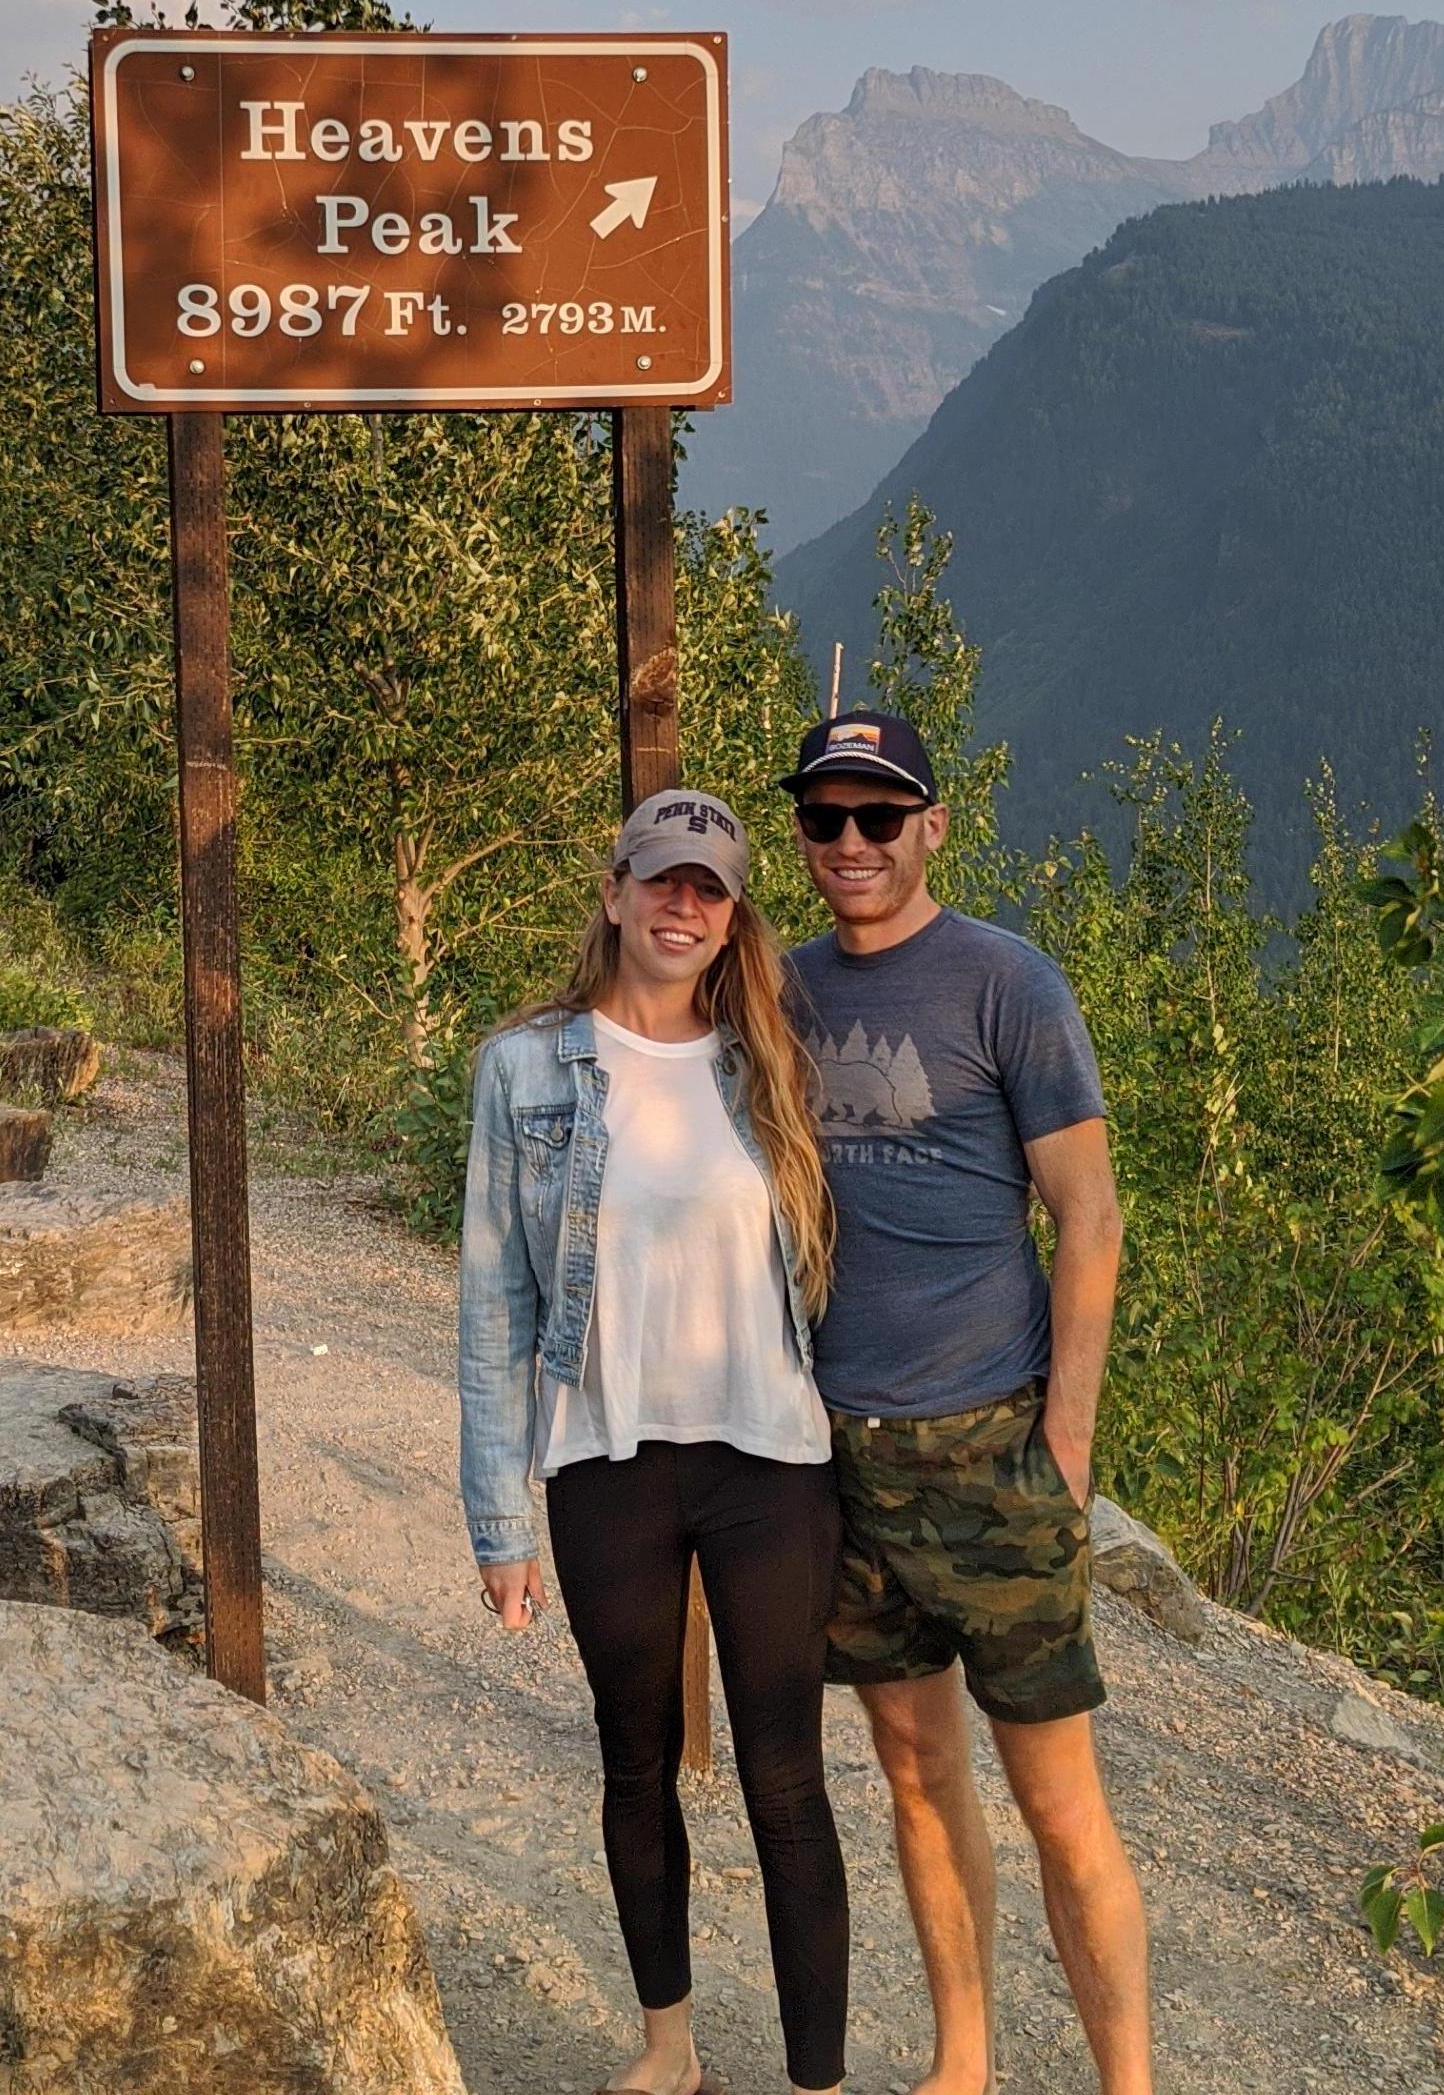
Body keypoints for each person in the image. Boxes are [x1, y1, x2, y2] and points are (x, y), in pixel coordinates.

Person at [779, 711, 1148, 2095]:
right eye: (828, 819)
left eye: (883, 815)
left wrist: (1066, 1439)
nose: (855, 843)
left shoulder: (1008, 982)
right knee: (918, 1781)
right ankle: (964, 2064)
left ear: (935, 824)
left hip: (992, 1444)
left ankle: (1130, 2084)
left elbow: (1092, 1216)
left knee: (1059, 1802)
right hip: (842, 1455)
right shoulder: (784, 990)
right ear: (805, 837)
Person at [458, 787, 848, 2095]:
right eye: (662, 880)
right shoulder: (525, 1067)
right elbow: (493, 1305)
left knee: (785, 1775)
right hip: (604, 1463)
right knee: (634, 1764)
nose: (684, 905)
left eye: (711, 889)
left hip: (768, 1463)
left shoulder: (770, 1061)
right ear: (616, 892)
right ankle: (670, 2049)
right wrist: (498, 1520)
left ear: (733, 919)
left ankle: (815, 2081)